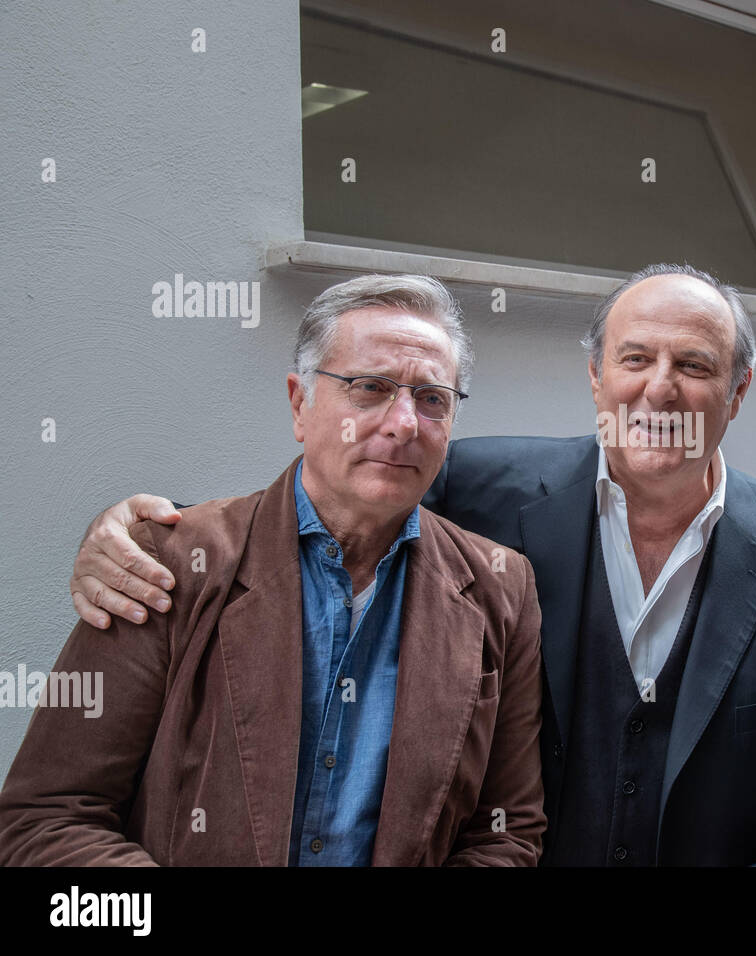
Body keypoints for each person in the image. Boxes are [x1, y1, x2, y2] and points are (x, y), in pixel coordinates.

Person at [65, 263, 756, 866]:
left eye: (694, 366)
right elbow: (331, 493)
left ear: (738, 390)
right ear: (596, 376)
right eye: (634, 360)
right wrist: (140, 529)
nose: (659, 391)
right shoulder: (474, 487)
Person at [0, 274, 545, 866]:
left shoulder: (500, 587)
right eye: (370, 387)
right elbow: (47, 820)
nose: (404, 422)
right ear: (299, 403)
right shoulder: (168, 562)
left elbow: (506, 833)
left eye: (433, 398)